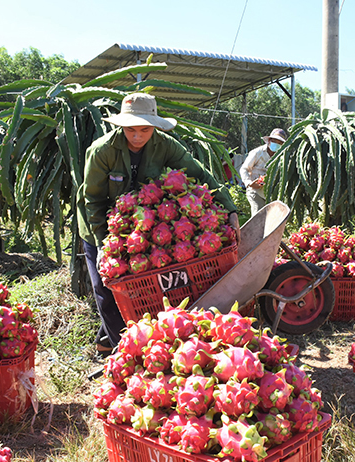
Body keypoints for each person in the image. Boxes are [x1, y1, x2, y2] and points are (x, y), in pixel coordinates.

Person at [77, 93, 240, 354]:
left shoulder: (165, 145)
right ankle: (124, 352)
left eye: (145, 129)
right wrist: (101, 243)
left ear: (155, 126)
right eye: (131, 129)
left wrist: (229, 208)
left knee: (138, 286)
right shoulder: (102, 151)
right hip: (98, 223)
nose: (138, 136)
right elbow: (92, 201)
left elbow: (198, 172)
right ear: (121, 126)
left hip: (142, 226)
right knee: (106, 285)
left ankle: (109, 340)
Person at [239, 128, 288, 215]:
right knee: (258, 217)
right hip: (255, 191)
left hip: (272, 194)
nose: (276, 144)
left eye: (279, 143)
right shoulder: (257, 153)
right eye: (274, 141)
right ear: (269, 140)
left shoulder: (282, 157)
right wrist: (249, 183)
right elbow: (244, 169)